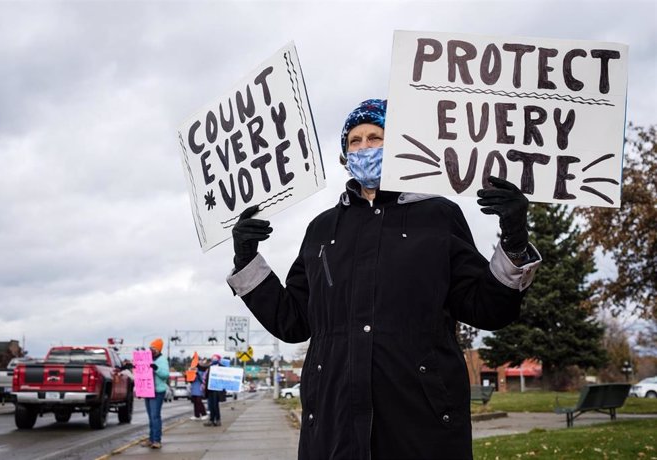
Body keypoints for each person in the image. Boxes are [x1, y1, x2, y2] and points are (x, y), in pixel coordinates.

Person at [226, 99, 542, 459]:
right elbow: (293, 321)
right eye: (354, 141)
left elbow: (488, 308)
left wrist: (514, 242)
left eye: (375, 137)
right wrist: (246, 259)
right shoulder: (322, 230)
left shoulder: (438, 216)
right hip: (333, 428)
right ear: (344, 154)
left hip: (420, 425)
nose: (364, 148)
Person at [141, 338, 169, 449]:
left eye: (153, 348)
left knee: (155, 416)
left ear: (158, 349)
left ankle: (157, 440)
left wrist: (156, 368)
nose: (151, 350)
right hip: (147, 390)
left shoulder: (162, 360)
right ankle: (151, 439)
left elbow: (165, 375)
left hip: (157, 391)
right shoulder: (147, 359)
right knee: (150, 416)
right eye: (150, 348)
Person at [203, 354, 223, 427]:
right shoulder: (209, 367)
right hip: (210, 388)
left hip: (217, 389)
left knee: (215, 405)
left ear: (218, 359)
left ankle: (217, 419)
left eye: (215, 358)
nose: (213, 359)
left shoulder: (221, 367)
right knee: (210, 405)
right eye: (212, 358)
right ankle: (211, 419)